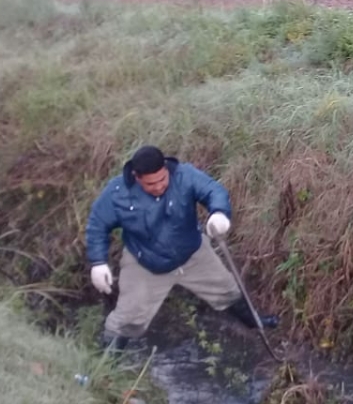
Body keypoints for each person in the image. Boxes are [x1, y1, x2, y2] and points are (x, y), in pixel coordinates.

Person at [84, 145, 277, 352]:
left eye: (162, 179)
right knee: (129, 319)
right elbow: (97, 225)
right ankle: (106, 365)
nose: (159, 186)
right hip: (146, 261)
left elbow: (214, 190)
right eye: (151, 183)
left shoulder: (185, 175)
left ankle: (255, 322)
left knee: (228, 291)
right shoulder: (117, 193)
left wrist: (219, 213)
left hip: (192, 252)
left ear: (166, 169)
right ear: (137, 177)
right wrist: (98, 262)